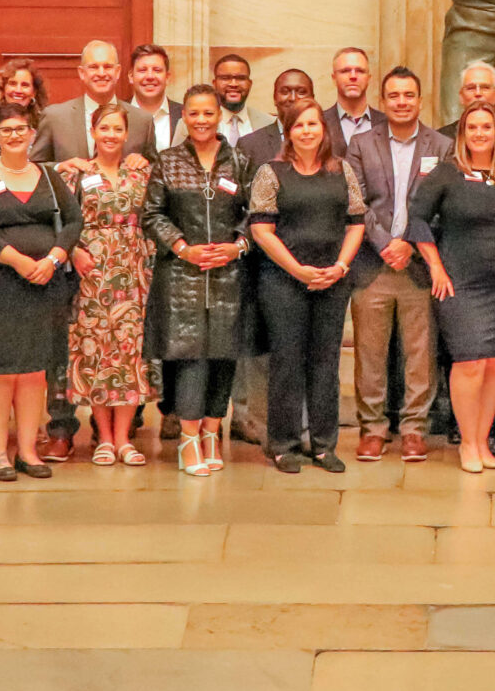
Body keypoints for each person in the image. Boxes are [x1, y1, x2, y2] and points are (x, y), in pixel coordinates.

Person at [409, 103, 495, 475]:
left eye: (486, 127)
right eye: (472, 128)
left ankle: (482, 440)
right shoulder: (447, 174)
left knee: (494, 362)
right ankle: (466, 442)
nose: (480, 133)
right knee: (469, 362)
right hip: (460, 282)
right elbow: (417, 218)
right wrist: (435, 267)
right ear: (462, 135)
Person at [0, 103, 78, 482]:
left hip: (43, 286)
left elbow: (74, 220)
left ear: (31, 134)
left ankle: (27, 450)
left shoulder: (48, 175)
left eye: (20, 129)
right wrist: (18, 261)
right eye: (6, 129)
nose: (14, 135)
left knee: (32, 372)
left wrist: (55, 258)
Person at [250, 101, 367, 472]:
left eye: (313, 124)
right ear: (288, 131)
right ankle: (283, 444)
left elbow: (356, 223)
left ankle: (323, 445)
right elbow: (261, 230)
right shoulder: (272, 172)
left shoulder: (341, 170)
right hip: (284, 281)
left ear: (323, 130)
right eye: (298, 125)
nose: (306, 131)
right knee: (286, 362)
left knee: (325, 363)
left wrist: (341, 266)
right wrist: (298, 270)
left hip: (333, 281)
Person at [145, 83, 254, 475]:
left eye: (209, 113)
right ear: (184, 117)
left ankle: (212, 431)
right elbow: (152, 214)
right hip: (181, 276)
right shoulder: (168, 161)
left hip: (229, 276)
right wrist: (182, 248)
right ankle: (189, 441)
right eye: (194, 113)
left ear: (219, 116)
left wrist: (237, 246)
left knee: (224, 355)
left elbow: (254, 215)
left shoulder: (239, 161)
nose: (202, 121)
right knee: (190, 358)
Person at [344, 66, 447, 462]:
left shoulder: (441, 146)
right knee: (370, 353)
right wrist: (387, 243)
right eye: (395, 96)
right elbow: (356, 201)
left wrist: (411, 245)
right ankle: (372, 429)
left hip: (419, 265)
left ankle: (414, 429)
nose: (402, 102)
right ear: (383, 101)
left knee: (420, 353)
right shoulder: (361, 143)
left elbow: (442, 207)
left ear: (420, 101)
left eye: (409, 95)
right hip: (373, 265)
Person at [58, 100, 157, 467]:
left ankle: (124, 438)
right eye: (104, 128)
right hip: (92, 271)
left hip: (133, 270)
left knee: (130, 352)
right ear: (93, 133)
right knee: (96, 349)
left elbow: (155, 215)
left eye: (117, 129)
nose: (111, 135)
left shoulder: (140, 174)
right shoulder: (76, 175)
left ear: (126, 134)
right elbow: (61, 221)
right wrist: (72, 252)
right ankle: (102, 436)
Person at [43, 38, 158, 163]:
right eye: (93, 67)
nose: (101, 73)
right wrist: (59, 167)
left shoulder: (142, 121)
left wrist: (143, 163)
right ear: (82, 73)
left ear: (118, 71)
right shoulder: (55, 118)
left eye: (108, 67)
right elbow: (35, 166)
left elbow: (156, 170)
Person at [130, 43, 182, 150]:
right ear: (131, 76)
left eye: (157, 70)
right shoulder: (116, 114)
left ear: (167, 77)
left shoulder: (184, 115)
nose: (150, 76)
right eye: (142, 70)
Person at [330, 47, 378, 147]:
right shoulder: (320, 123)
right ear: (334, 78)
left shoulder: (386, 123)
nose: (353, 76)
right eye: (345, 71)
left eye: (360, 71)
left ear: (368, 78)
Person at [210, 54, 262, 145]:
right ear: (214, 83)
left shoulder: (267, 122)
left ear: (250, 84)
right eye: (225, 78)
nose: (233, 84)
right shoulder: (191, 124)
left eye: (241, 78)